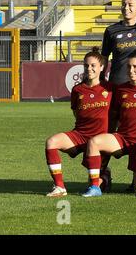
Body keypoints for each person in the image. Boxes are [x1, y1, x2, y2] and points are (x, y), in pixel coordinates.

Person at [81, 48, 136, 197]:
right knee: (94, 142)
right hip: (122, 138)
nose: (131, 70)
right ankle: (96, 186)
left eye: (135, 66)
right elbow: (112, 115)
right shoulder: (120, 90)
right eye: (129, 67)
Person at [44, 47, 113, 197]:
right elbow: (76, 112)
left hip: (100, 139)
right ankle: (59, 187)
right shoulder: (77, 90)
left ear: (101, 67)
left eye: (93, 65)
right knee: (51, 142)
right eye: (86, 65)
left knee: (95, 183)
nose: (89, 68)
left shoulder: (110, 88)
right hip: (80, 135)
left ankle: (104, 177)